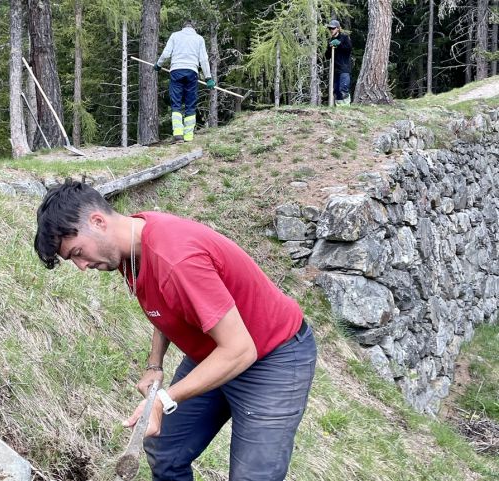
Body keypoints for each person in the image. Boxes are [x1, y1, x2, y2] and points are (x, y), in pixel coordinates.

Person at [33, 180, 317, 481]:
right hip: (213, 350)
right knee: (166, 452)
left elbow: (240, 350)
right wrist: (155, 364)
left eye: (77, 252)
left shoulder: (176, 257)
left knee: (253, 476)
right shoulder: (128, 247)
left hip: (272, 359)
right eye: (72, 259)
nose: (81, 266)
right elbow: (164, 305)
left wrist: (164, 400)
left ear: (98, 221)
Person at [154, 20, 216, 143]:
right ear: (194, 28)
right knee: (190, 103)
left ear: (183, 27)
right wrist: (208, 78)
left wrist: (158, 64)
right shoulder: (199, 39)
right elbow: (203, 59)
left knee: (176, 103)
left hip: (176, 71)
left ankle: (178, 135)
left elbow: (166, 53)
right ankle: (188, 136)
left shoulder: (175, 36)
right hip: (192, 72)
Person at [324, 19, 353, 105]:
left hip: (344, 68)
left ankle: (345, 108)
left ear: (338, 29)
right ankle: (339, 109)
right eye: (330, 29)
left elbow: (349, 49)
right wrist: (330, 47)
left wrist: (339, 44)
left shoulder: (344, 38)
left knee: (343, 89)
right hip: (335, 69)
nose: (331, 30)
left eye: (333, 28)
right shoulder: (330, 40)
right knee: (336, 90)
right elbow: (327, 56)